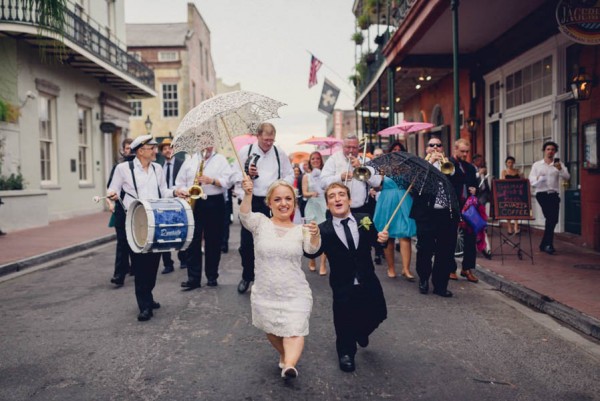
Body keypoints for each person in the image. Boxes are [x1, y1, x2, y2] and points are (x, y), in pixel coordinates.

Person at [239, 176, 320, 379]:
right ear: (269, 203)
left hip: (295, 291)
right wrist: (248, 194)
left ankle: (290, 366)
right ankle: (285, 355)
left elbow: (312, 249)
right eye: (277, 199)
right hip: (265, 292)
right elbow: (244, 215)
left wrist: (316, 234)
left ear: (294, 202)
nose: (283, 204)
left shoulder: (302, 229)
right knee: (272, 329)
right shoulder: (260, 223)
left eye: (288, 199)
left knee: (295, 329)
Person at [308, 182, 388, 373]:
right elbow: (312, 253)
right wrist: (312, 239)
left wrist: (381, 240)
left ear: (350, 200)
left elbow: (375, 241)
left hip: (368, 279)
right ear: (327, 204)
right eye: (332, 196)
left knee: (379, 312)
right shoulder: (324, 229)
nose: (337, 198)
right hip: (342, 284)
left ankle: (362, 331)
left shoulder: (364, 219)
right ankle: (346, 353)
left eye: (342, 194)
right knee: (344, 319)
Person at [107, 134, 179, 321]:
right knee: (139, 262)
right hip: (134, 218)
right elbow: (112, 189)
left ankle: (148, 293)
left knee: (154, 261)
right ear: (140, 151)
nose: (156, 151)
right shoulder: (123, 169)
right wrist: (112, 196)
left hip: (154, 218)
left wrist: (176, 192)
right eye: (152, 148)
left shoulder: (157, 168)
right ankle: (144, 305)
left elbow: (163, 191)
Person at [234, 123, 294, 294]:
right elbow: (234, 175)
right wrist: (247, 174)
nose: (269, 143)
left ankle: (269, 278)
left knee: (271, 241)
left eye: (272, 140)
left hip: (272, 202)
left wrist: (280, 185)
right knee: (247, 243)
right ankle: (247, 275)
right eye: (266, 140)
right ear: (258, 136)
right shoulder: (245, 151)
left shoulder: (279, 152)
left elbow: (290, 174)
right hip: (252, 200)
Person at [174, 146, 233, 289]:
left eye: (210, 141)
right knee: (193, 240)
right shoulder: (190, 160)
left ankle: (212, 276)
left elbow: (229, 182)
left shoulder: (220, 160)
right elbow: (179, 183)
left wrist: (212, 181)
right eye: (204, 140)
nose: (207, 145)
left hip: (214, 202)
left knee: (213, 240)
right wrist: (186, 191)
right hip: (195, 201)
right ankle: (193, 279)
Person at [320, 135, 382, 265]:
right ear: (343, 147)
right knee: (338, 246)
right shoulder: (334, 160)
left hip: (361, 209)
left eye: (354, 147)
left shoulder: (365, 160)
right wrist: (339, 177)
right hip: (338, 210)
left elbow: (377, 182)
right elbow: (322, 183)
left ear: (358, 147)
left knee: (363, 247)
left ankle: (363, 275)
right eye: (348, 147)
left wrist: (362, 167)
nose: (351, 150)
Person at [410, 135, 458, 297]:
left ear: (443, 148)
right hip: (426, 214)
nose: (435, 148)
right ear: (426, 148)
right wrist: (428, 164)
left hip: (446, 214)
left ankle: (440, 285)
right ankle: (423, 279)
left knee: (445, 251)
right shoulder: (418, 165)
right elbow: (415, 188)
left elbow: (457, 183)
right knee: (425, 249)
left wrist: (446, 167)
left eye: (438, 145)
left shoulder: (449, 165)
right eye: (432, 145)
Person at [529, 141, 570, 255]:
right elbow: (531, 179)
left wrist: (560, 169)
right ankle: (549, 245)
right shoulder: (537, 165)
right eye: (548, 149)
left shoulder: (558, 164)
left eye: (552, 149)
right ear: (544, 150)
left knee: (553, 220)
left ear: (555, 151)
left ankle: (544, 244)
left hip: (553, 194)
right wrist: (537, 178)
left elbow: (567, 177)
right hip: (542, 194)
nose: (550, 151)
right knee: (551, 218)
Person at [448, 138, 479, 284]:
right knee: (450, 237)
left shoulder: (470, 168)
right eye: (462, 151)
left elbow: (475, 185)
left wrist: (475, 190)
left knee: (470, 238)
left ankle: (467, 268)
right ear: (455, 149)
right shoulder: (448, 164)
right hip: (452, 205)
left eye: (467, 151)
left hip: (468, 207)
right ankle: (450, 268)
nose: (465, 154)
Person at [374, 176, 416, 280]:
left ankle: (406, 269)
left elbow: (414, 188)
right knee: (388, 236)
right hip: (387, 201)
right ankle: (391, 268)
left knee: (405, 234)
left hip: (403, 200)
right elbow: (376, 187)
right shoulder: (382, 169)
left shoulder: (408, 170)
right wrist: (380, 180)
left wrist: (412, 184)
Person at [107, 137, 134, 287]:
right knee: (122, 243)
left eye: (131, 148)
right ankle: (119, 275)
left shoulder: (138, 168)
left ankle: (135, 268)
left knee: (135, 242)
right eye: (127, 148)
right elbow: (110, 187)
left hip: (136, 209)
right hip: (121, 209)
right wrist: (110, 201)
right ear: (123, 150)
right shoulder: (118, 168)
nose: (129, 151)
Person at [158, 138, 185, 274]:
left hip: (178, 200)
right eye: (165, 148)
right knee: (164, 231)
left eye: (170, 148)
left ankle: (183, 258)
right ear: (162, 152)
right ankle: (168, 263)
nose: (168, 150)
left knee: (180, 229)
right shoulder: (158, 167)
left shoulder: (181, 164)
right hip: (164, 201)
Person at [302, 151, 328, 275]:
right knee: (312, 233)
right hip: (312, 206)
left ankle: (323, 264)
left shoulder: (325, 175)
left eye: (318, 158)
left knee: (324, 234)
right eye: (313, 159)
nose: (316, 160)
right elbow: (304, 193)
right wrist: (311, 193)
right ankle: (312, 259)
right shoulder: (306, 176)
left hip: (323, 206)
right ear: (310, 161)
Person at [473, 154, 492, 259]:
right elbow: (472, 179)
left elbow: (485, 182)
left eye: (482, 160)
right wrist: (478, 174)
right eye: (479, 160)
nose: (481, 162)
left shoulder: (483, 169)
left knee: (482, 213)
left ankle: (483, 227)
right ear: (475, 161)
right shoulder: (472, 169)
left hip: (483, 194)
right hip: (476, 195)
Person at [501, 156, 523, 235]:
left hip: (516, 192)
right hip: (507, 192)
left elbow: (522, 180)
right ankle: (509, 226)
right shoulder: (504, 171)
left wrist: (521, 174)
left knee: (516, 208)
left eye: (511, 162)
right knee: (508, 209)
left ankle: (516, 226)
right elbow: (502, 182)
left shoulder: (517, 171)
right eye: (508, 162)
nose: (510, 164)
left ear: (514, 163)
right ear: (506, 163)